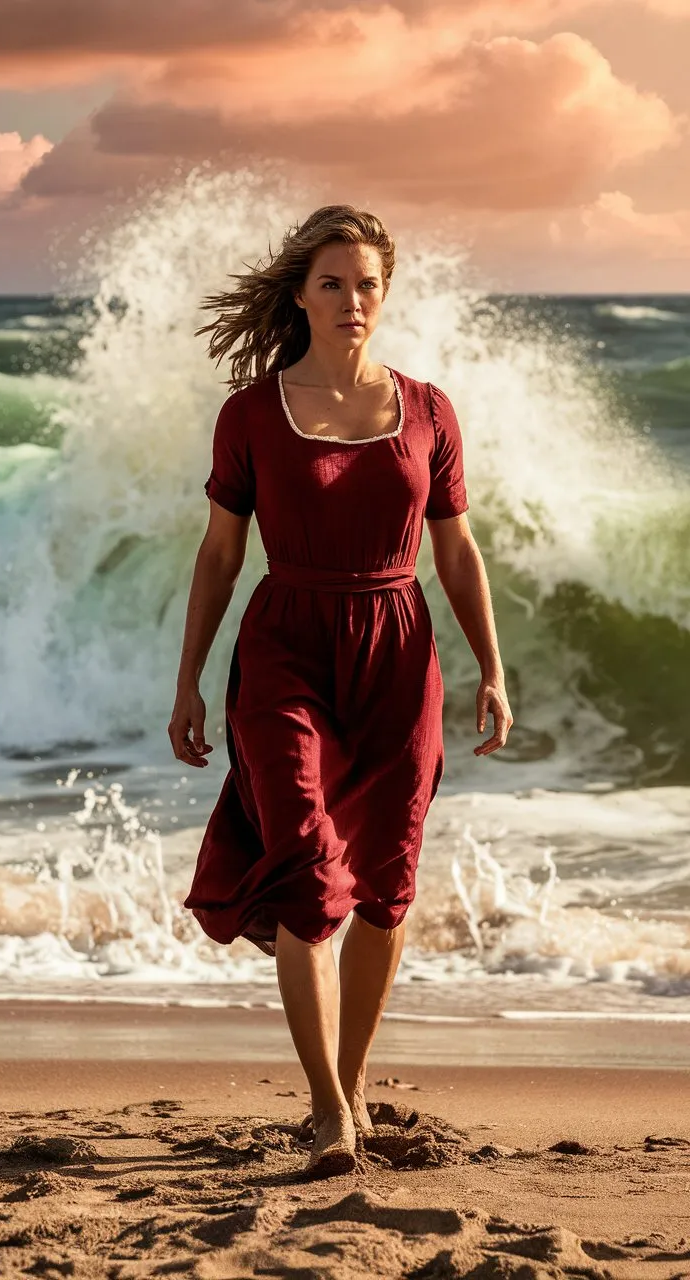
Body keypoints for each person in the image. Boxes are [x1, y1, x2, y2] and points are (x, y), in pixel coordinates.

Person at [169, 204, 513, 1177]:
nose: (352, 300)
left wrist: (490, 666)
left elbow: (454, 548)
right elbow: (220, 553)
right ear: (299, 292)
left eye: (366, 283)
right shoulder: (250, 413)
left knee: (385, 889)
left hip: (398, 656)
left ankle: (350, 1083)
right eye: (332, 282)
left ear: (383, 291)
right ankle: (327, 1110)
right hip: (284, 649)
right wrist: (189, 678)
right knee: (309, 876)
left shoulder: (428, 409)